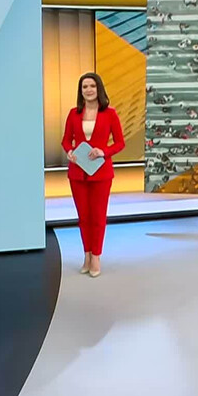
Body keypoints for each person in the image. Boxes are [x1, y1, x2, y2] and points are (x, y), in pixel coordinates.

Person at [61, 72, 125, 278]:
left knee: (98, 216)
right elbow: (65, 140)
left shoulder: (110, 114)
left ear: (99, 89)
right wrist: (69, 152)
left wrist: (103, 152)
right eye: (84, 87)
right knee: (84, 217)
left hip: (101, 173)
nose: (88, 90)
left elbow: (120, 143)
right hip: (77, 173)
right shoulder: (74, 113)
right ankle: (87, 254)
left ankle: (96, 256)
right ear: (80, 91)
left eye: (92, 86)